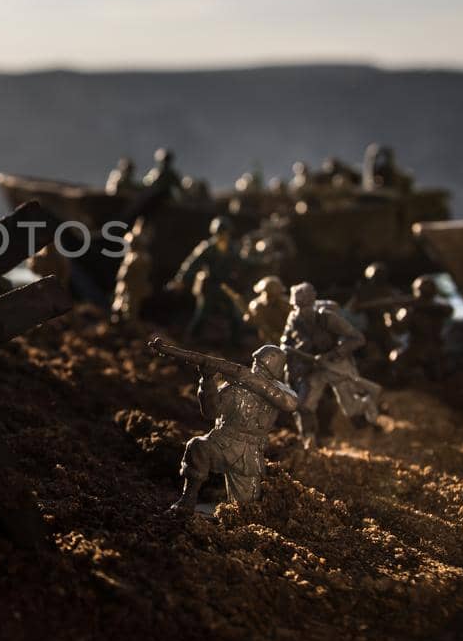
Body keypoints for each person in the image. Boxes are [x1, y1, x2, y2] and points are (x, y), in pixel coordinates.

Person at [149, 340, 298, 511]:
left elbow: (291, 403)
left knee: (246, 508)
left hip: (250, 452)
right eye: (256, 364)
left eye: (261, 366)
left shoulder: (279, 391)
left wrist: (251, 380)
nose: (256, 368)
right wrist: (207, 381)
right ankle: (187, 500)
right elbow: (211, 412)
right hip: (223, 440)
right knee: (198, 447)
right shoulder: (235, 387)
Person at [281, 281, 376, 447]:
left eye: (304, 305)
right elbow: (285, 342)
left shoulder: (328, 318)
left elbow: (358, 338)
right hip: (313, 367)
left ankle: (366, 403)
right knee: (304, 406)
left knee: (351, 407)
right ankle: (308, 440)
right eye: (297, 306)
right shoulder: (294, 319)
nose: (300, 310)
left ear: (312, 302)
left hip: (336, 364)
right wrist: (293, 353)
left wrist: (332, 354)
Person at [172, 216, 244, 344]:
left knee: (233, 313)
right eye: (220, 233)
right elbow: (192, 263)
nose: (223, 236)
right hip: (209, 286)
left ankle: (236, 341)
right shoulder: (208, 247)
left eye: (225, 232)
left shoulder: (232, 248)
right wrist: (181, 279)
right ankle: (191, 338)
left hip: (225, 286)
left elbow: (241, 263)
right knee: (203, 313)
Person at [384, 276, 454, 380]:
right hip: (426, 347)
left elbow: (399, 330)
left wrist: (390, 319)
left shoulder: (436, 307)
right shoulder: (414, 309)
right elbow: (399, 330)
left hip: (426, 348)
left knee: (397, 358)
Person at [109, 218, 154, 324]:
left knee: (130, 307)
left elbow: (143, 275)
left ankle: (129, 325)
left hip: (134, 287)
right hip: (126, 286)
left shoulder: (141, 258)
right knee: (120, 304)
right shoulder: (132, 256)